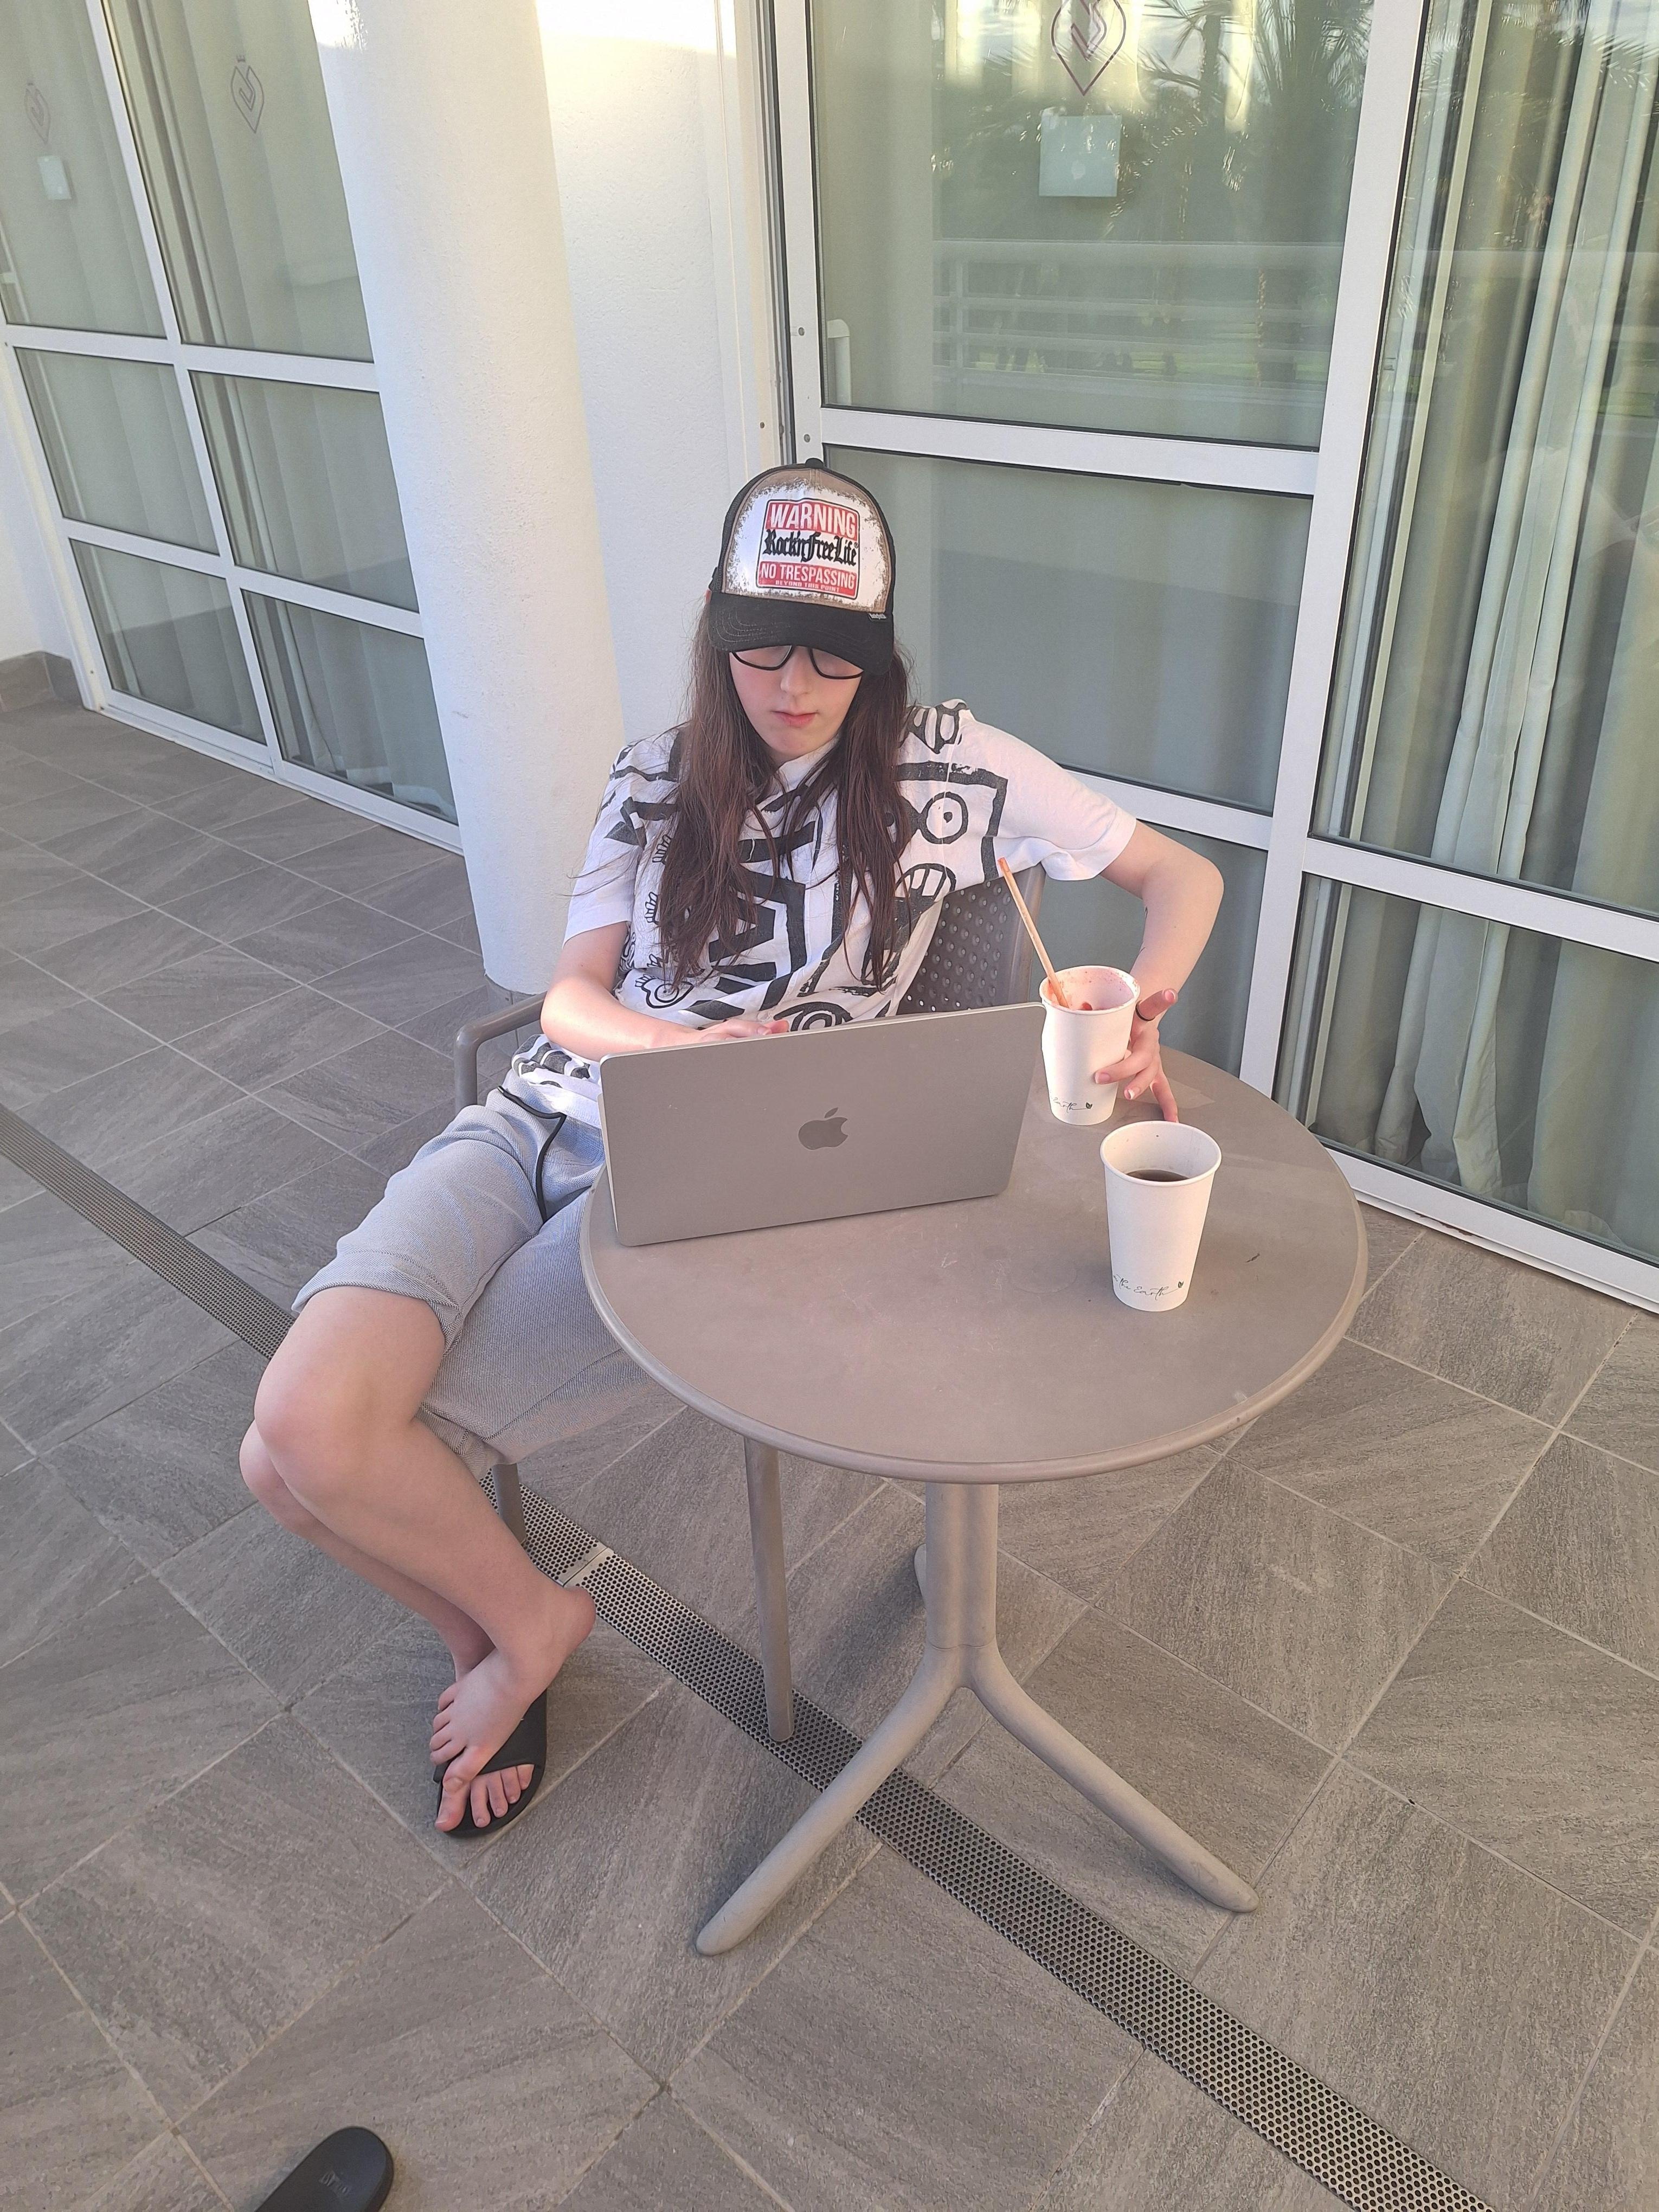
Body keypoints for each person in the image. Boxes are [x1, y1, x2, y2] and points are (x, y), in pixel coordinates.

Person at [242, 462, 1223, 1836]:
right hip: (541, 1115)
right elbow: (573, 995)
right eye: (763, 645)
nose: (797, 683)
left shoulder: (953, 765)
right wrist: (668, 1048)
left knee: (317, 1457)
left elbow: (1183, 876)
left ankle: (497, 1638)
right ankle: (517, 1626)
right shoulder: (655, 773)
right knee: (290, 1448)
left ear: (881, 659)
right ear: (716, 629)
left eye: (837, 654)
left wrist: (1151, 1008)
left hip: (711, 1177)